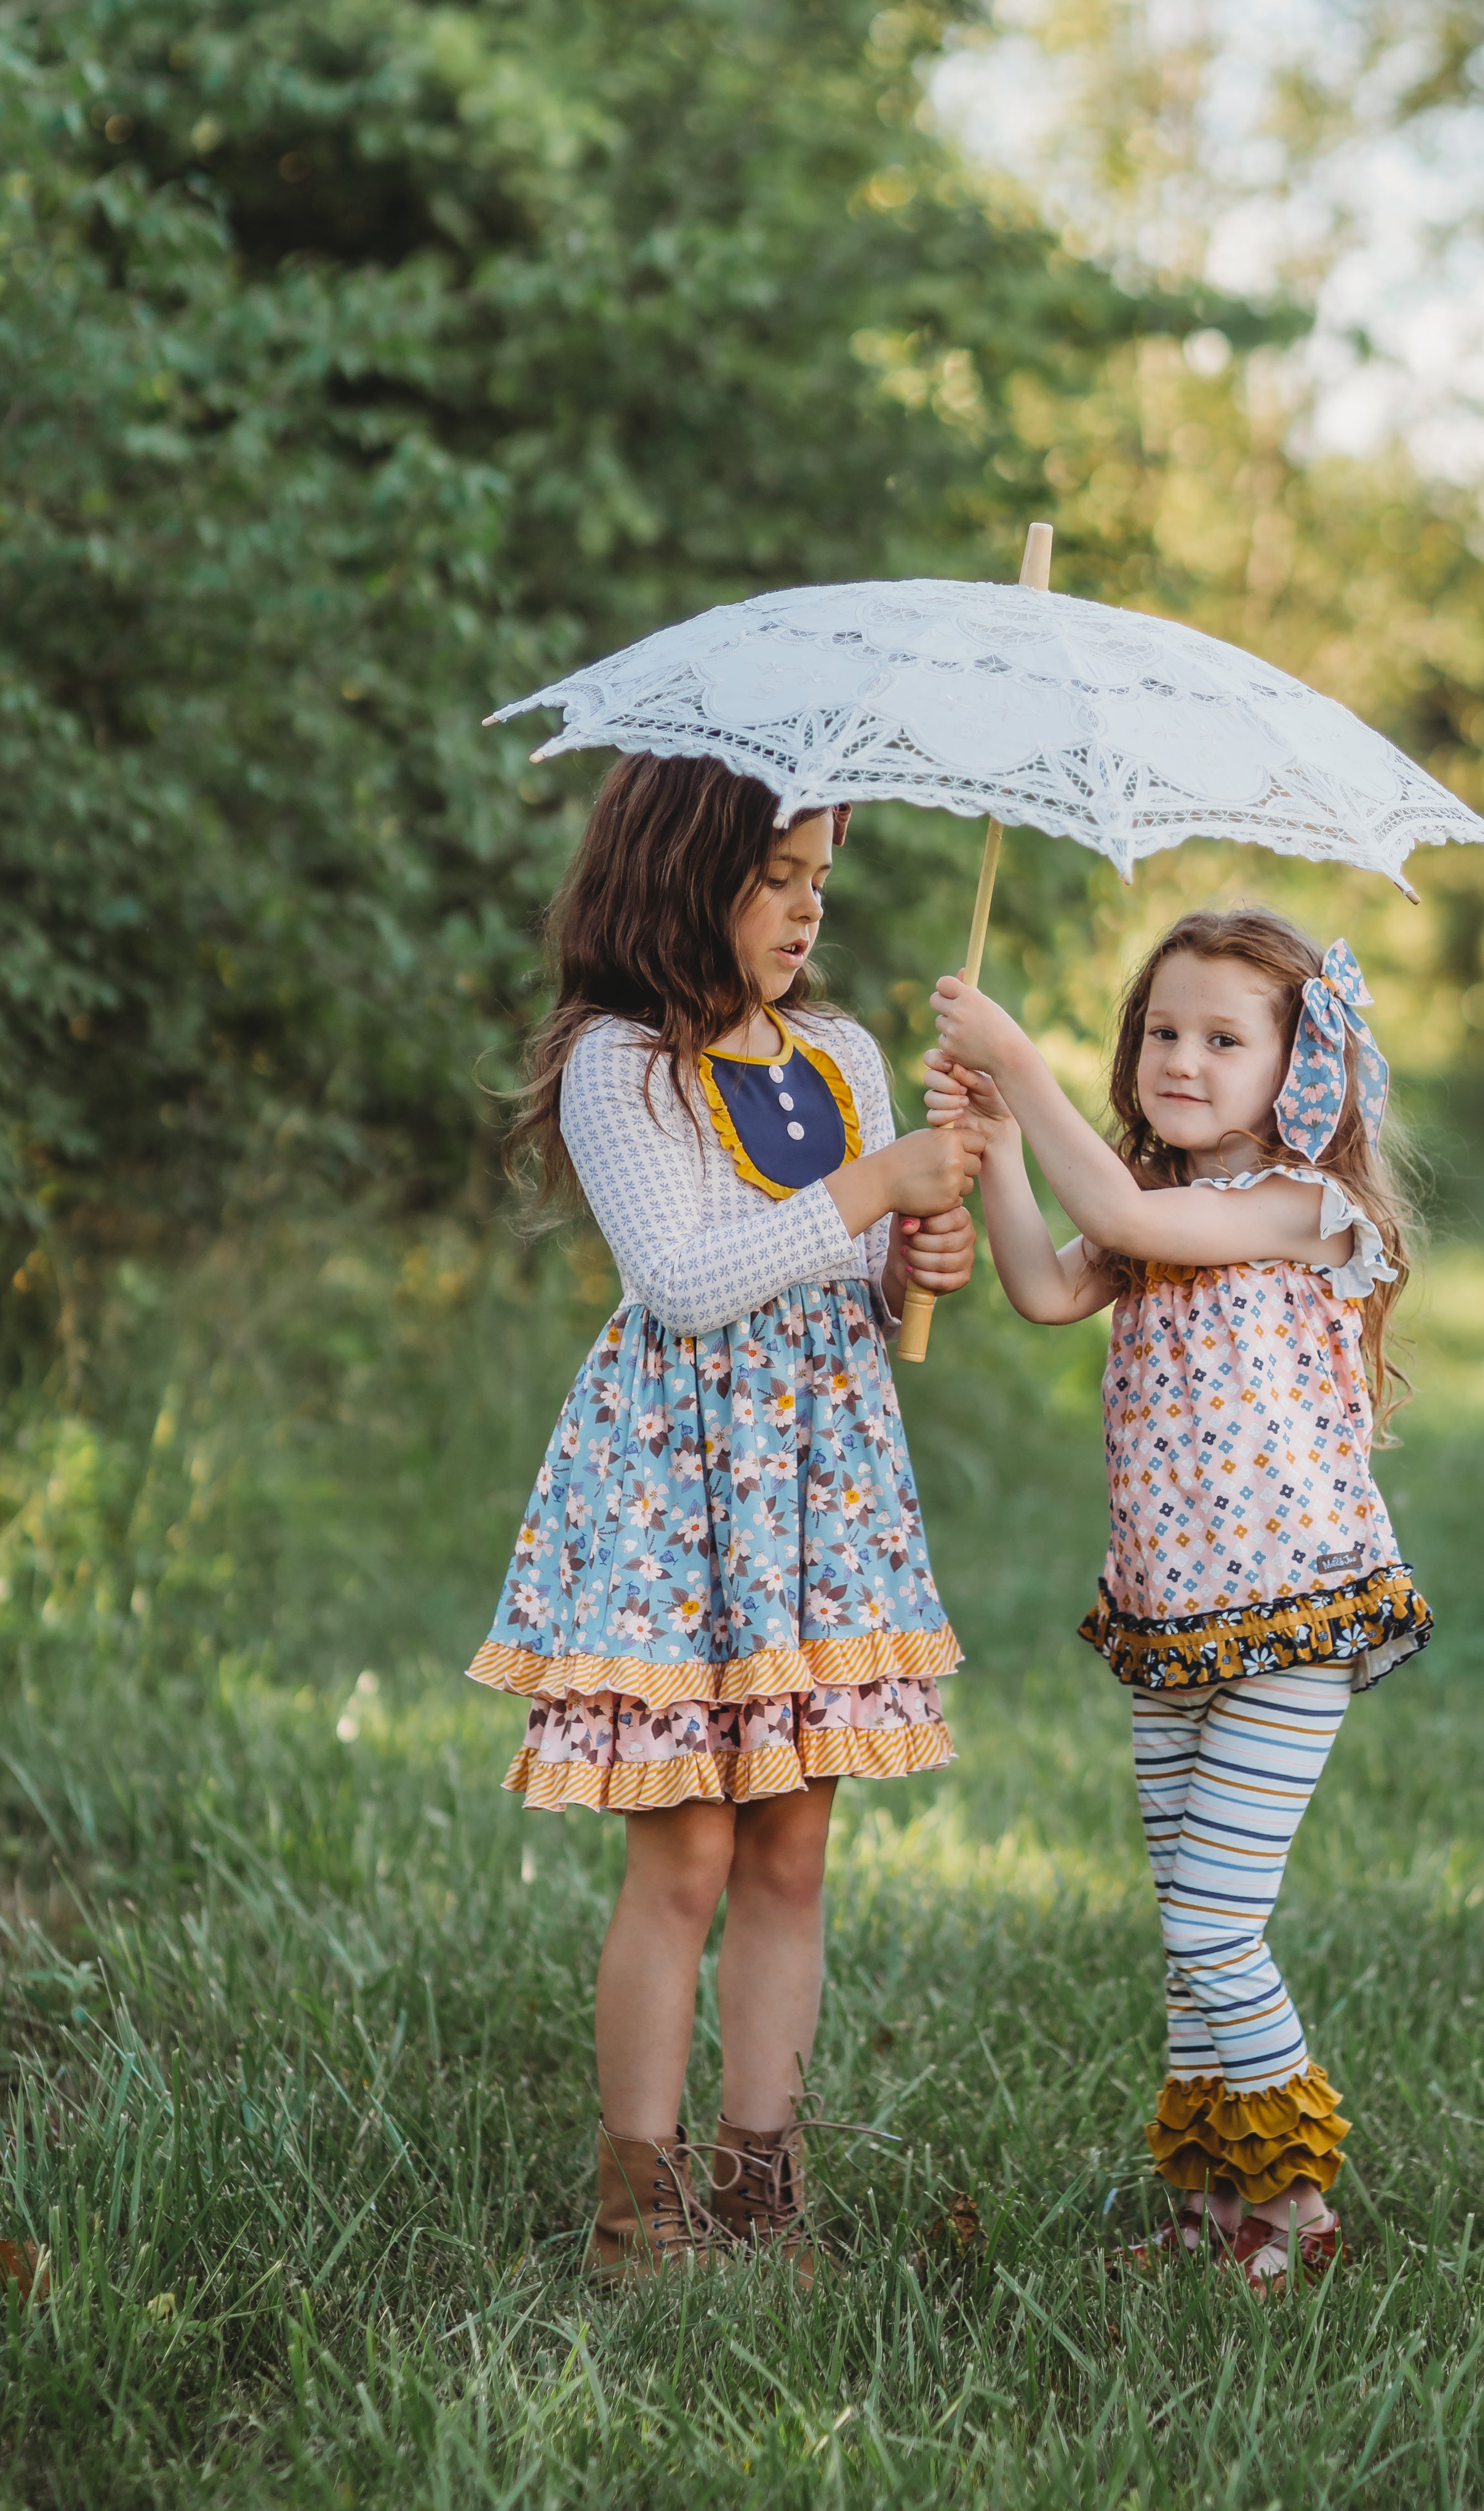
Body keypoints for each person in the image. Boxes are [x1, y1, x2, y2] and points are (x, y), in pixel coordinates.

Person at [469, 752, 979, 2280]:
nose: (806, 908)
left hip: (814, 1504)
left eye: (821, 877)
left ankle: (762, 2190)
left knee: (789, 1851)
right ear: (687, 874)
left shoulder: (842, 1050)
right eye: (777, 877)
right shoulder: (620, 1064)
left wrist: (911, 1259)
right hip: (683, 1502)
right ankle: (639, 2212)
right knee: (682, 1853)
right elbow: (681, 1282)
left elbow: (855, 1286)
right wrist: (868, 1186)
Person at [926, 904, 1430, 2293]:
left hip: (1290, 1622)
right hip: (1168, 1624)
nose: (1183, 1059)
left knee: (1219, 1919)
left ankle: (1299, 2201)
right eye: (1161, 1030)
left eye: (1224, 1037)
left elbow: (1128, 1215)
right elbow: (1041, 1281)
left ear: (1298, 1066)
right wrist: (1002, 1145)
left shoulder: (1302, 1208)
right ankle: (1219, 2207)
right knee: (1184, 1935)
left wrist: (1019, 1062)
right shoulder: (1154, 1206)